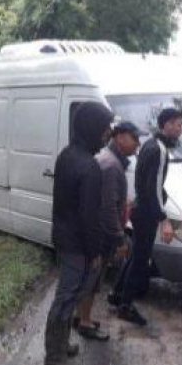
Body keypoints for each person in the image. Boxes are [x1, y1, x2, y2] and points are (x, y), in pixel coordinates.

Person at [44, 101, 114, 365]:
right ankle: (55, 355)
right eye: (105, 127)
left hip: (64, 237)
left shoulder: (67, 154)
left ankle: (60, 345)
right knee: (66, 297)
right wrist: (95, 252)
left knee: (66, 295)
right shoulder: (89, 167)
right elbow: (89, 216)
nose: (108, 132)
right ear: (92, 127)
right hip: (77, 243)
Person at [112, 107, 182, 326]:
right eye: (178, 125)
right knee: (140, 261)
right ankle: (125, 306)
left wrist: (163, 199)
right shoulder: (159, 150)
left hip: (141, 209)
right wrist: (164, 220)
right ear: (167, 125)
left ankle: (116, 295)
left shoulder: (150, 145)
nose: (181, 130)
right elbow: (152, 187)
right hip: (146, 214)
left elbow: (148, 185)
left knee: (135, 257)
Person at [73, 120, 142, 341]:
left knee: (91, 277)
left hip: (96, 231)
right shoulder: (112, 165)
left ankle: (81, 317)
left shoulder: (108, 159)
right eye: (134, 138)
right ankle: (84, 322)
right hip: (101, 235)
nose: (137, 144)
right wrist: (120, 238)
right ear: (119, 137)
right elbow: (108, 208)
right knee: (93, 279)